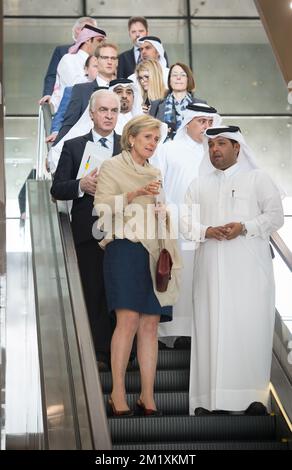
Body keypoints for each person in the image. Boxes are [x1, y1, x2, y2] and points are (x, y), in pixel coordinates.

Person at [181, 126, 284, 416]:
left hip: (250, 273)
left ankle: (252, 398)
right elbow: (185, 223)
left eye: (222, 144)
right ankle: (207, 400)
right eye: (211, 144)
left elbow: (275, 216)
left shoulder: (258, 179)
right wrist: (207, 230)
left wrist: (245, 227)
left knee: (250, 330)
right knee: (210, 329)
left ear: (237, 148)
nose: (215, 149)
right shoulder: (197, 184)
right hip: (210, 273)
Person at [94, 115, 181, 415]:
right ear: (131, 138)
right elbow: (101, 208)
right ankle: (117, 394)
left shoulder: (156, 171)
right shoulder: (111, 167)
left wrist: (162, 212)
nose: (152, 144)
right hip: (124, 249)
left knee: (150, 325)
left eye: (156, 140)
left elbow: (159, 216)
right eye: (147, 138)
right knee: (128, 320)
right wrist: (135, 194)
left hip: (154, 253)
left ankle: (147, 395)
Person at [50, 90, 122, 370]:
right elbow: (57, 188)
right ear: (91, 113)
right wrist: (82, 185)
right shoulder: (74, 146)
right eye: (103, 110)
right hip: (88, 231)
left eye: (113, 111)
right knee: (93, 291)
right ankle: (100, 353)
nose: (108, 116)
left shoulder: (127, 146)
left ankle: (123, 353)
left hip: (122, 230)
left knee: (120, 292)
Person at [154, 103, 221, 348]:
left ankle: (190, 334)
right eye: (201, 121)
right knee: (174, 277)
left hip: (206, 228)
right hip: (175, 225)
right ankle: (165, 333)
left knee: (200, 279)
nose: (206, 127)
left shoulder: (215, 152)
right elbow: (157, 184)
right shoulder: (169, 149)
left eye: (210, 122)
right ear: (188, 122)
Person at [53, 42, 118, 145]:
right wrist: (55, 150)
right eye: (105, 58)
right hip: (86, 150)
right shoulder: (81, 90)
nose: (109, 62)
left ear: (117, 62)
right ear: (97, 60)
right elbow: (69, 124)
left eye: (113, 58)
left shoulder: (124, 90)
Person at [39, 16, 97, 104]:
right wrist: (48, 94)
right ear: (77, 30)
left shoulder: (97, 55)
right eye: (86, 30)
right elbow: (52, 75)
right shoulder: (63, 51)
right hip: (65, 100)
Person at [50, 25, 106, 112]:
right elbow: (74, 86)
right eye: (99, 41)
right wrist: (95, 78)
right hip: (68, 113)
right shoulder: (68, 59)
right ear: (87, 40)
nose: (102, 45)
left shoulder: (100, 62)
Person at [150, 62, 205, 140]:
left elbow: (204, 133)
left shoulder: (200, 105)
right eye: (174, 75)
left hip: (192, 149)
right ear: (169, 80)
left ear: (188, 79)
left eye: (183, 75)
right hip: (164, 150)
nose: (178, 78)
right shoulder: (156, 105)